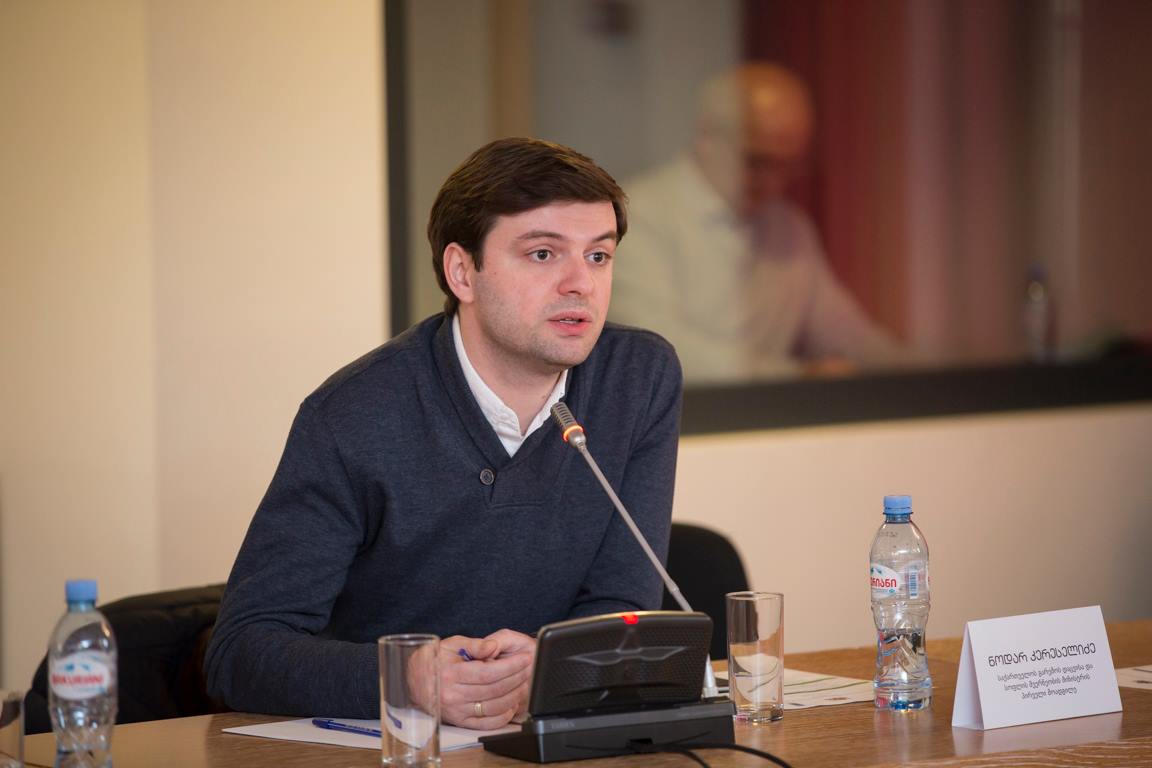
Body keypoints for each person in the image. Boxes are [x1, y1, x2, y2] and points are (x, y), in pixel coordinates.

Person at [203, 138, 682, 727]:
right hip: (394, 749)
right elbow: (240, 653)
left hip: (542, 742)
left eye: (599, 256)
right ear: (462, 272)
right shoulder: (353, 414)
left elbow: (623, 605)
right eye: (542, 254)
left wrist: (554, 669)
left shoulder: (638, 378)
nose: (581, 283)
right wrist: (410, 679)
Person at [610, 62, 903, 382]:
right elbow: (653, 350)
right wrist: (795, 375)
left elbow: (846, 333)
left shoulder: (789, 227)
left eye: (788, 165)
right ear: (707, 135)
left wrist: (913, 374)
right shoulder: (636, 217)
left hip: (765, 408)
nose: (773, 181)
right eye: (756, 161)